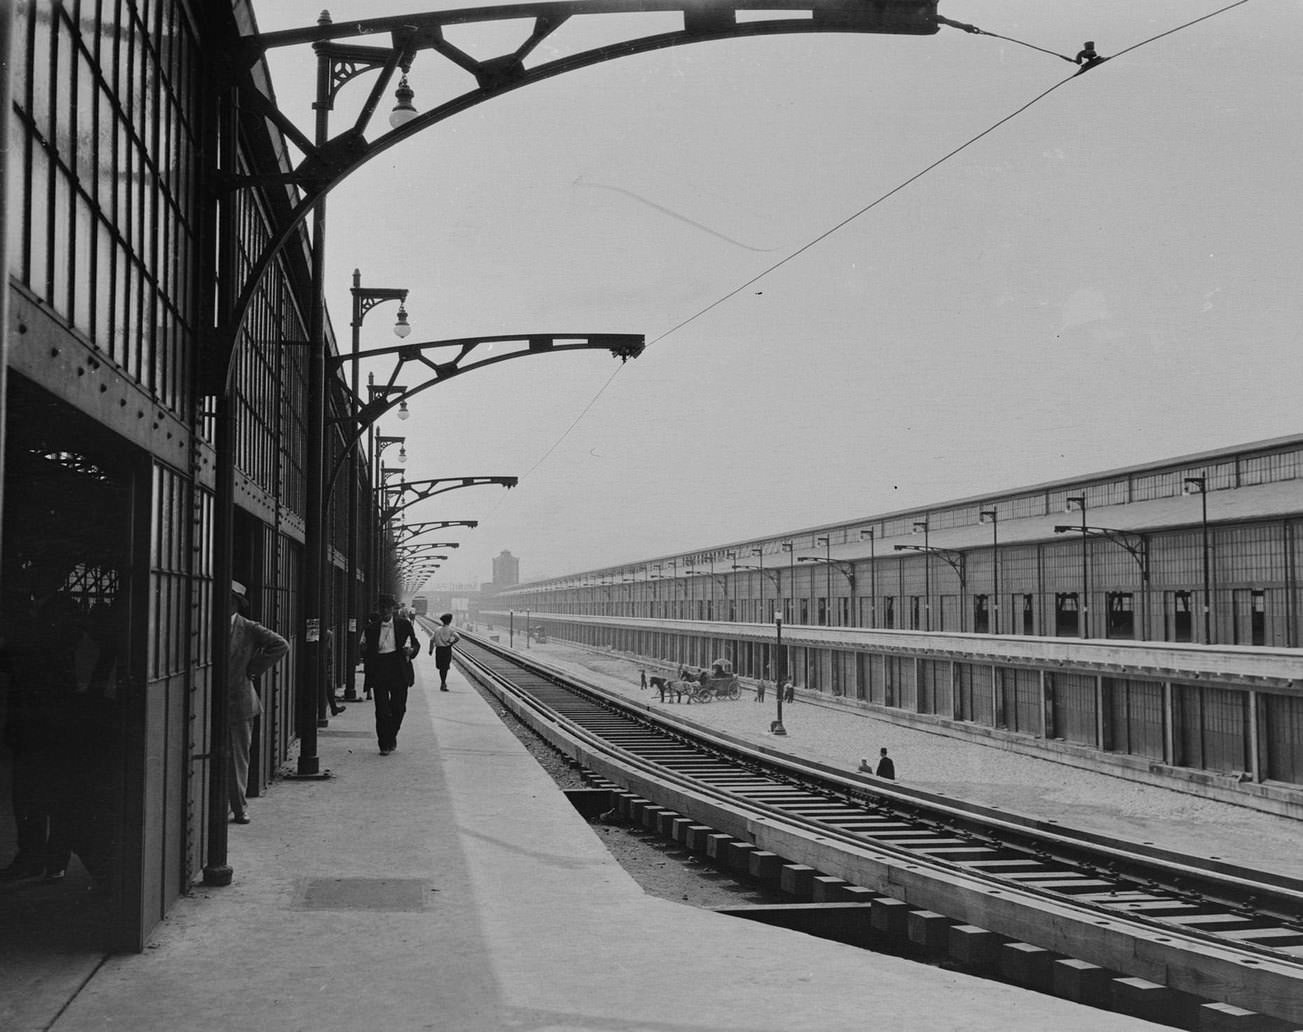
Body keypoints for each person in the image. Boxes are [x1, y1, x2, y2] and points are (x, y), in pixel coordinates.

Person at [228, 581, 289, 824]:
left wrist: (253, 668)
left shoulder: (249, 628)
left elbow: (281, 645)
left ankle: (239, 807)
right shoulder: (205, 623)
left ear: (235, 604)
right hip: (210, 702)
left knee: (237, 758)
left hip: (240, 702)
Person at [364, 597, 420, 753]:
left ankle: (392, 735)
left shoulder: (404, 625)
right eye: (382, 608)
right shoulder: (371, 629)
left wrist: (411, 651)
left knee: (399, 708)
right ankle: (384, 743)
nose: (385, 611)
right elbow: (366, 651)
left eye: (388, 608)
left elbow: (415, 643)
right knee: (381, 709)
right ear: (379, 609)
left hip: (399, 669)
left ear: (393, 609)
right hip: (379, 669)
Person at [426, 612, 460, 692]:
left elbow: (431, 640)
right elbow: (458, 637)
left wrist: (431, 650)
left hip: (439, 650)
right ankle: (443, 683)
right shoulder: (451, 630)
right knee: (445, 667)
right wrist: (451, 643)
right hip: (447, 650)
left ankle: (443, 682)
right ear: (450, 621)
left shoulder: (437, 629)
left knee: (441, 667)